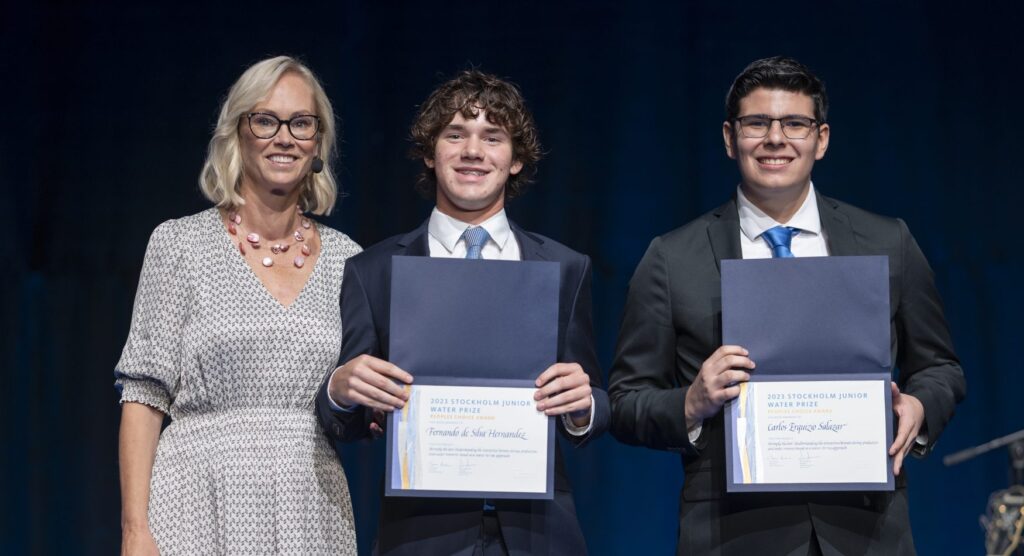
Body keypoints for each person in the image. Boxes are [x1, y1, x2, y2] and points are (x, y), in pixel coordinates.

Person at [608, 56, 966, 555]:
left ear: (820, 139)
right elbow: (625, 402)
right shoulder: (671, 258)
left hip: (867, 532)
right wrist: (689, 403)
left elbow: (941, 367)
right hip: (732, 533)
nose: (776, 139)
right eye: (758, 124)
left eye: (794, 124)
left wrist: (919, 406)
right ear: (730, 138)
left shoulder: (887, 241)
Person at [315, 69, 609, 556]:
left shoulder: (563, 267)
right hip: (422, 533)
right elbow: (346, 423)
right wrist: (341, 390)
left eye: (493, 137)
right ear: (430, 154)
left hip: (538, 534)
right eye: (456, 135)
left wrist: (584, 406)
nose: (473, 151)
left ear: (515, 160)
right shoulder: (375, 270)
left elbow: (595, 401)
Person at [115, 56, 361, 555]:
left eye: (302, 123)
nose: (284, 137)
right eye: (266, 120)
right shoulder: (179, 244)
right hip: (197, 499)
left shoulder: (348, 260)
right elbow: (143, 394)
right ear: (238, 133)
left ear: (318, 144)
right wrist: (135, 530)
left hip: (309, 504)